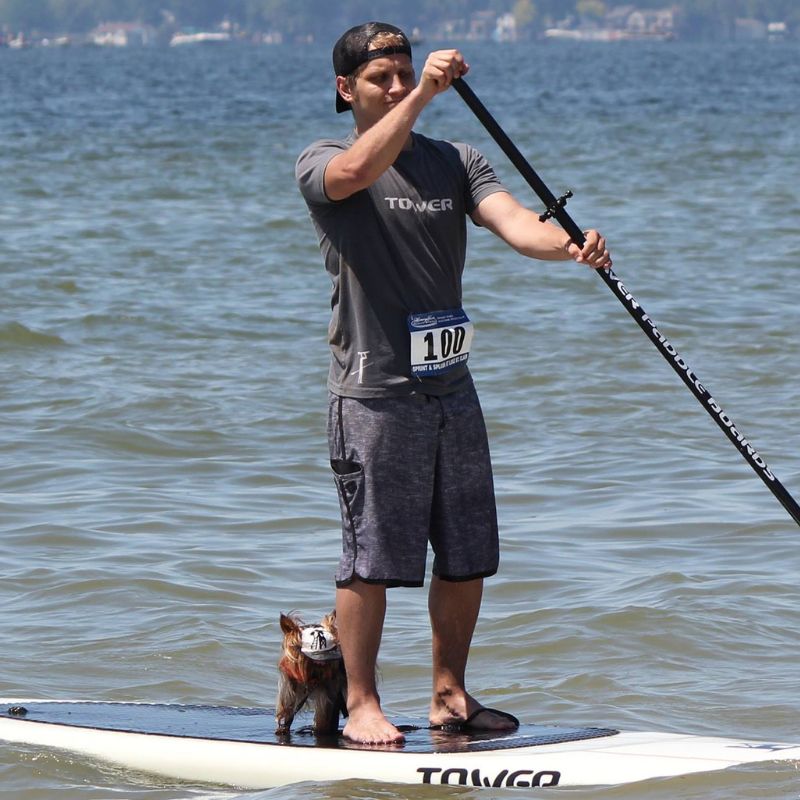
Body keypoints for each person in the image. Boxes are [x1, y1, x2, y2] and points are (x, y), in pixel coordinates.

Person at [295, 21, 611, 745]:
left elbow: (517, 224)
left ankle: (449, 696)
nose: (399, 86)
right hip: (372, 394)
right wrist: (425, 98)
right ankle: (363, 703)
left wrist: (571, 247)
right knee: (370, 558)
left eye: (406, 74)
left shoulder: (456, 162)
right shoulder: (324, 160)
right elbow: (354, 177)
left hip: (451, 390)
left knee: (468, 553)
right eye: (383, 79)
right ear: (347, 90)